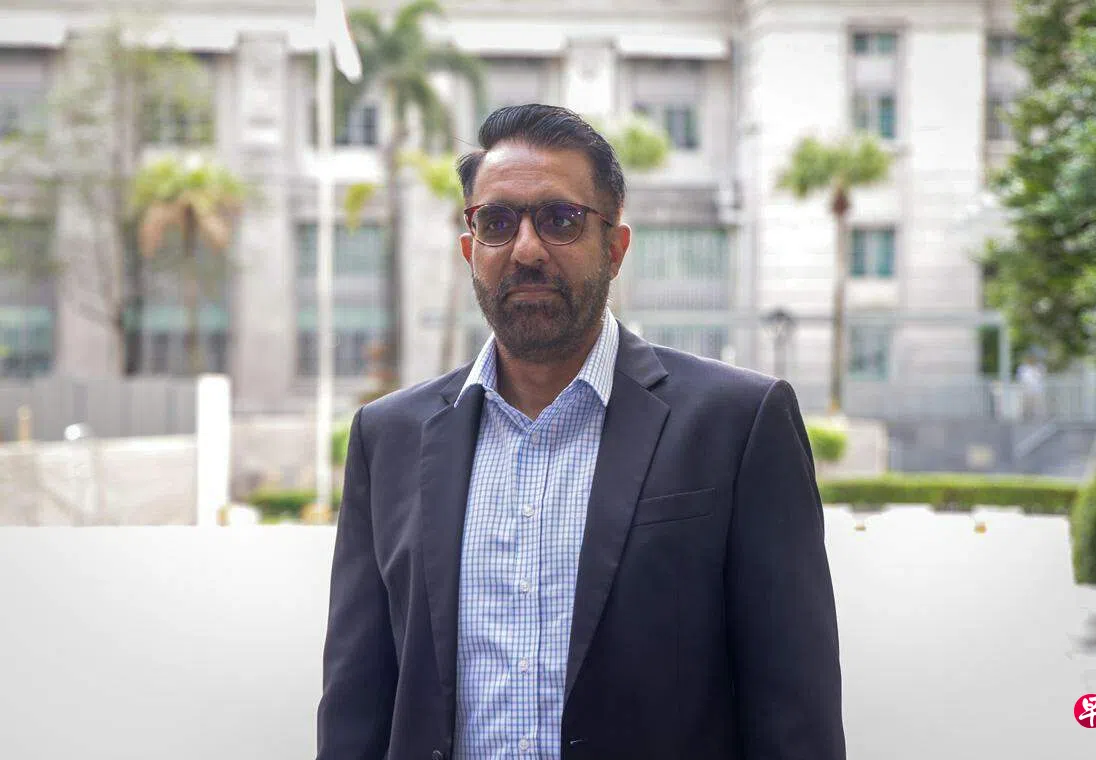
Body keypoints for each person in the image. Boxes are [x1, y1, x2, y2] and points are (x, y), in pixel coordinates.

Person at [315, 104, 845, 760]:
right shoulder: (389, 437)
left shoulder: (737, 424)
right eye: (497, 222)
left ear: (615, 249)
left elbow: (796, 716)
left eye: (560, 219)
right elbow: (356, 705)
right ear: (470, 250)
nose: (526, 249)